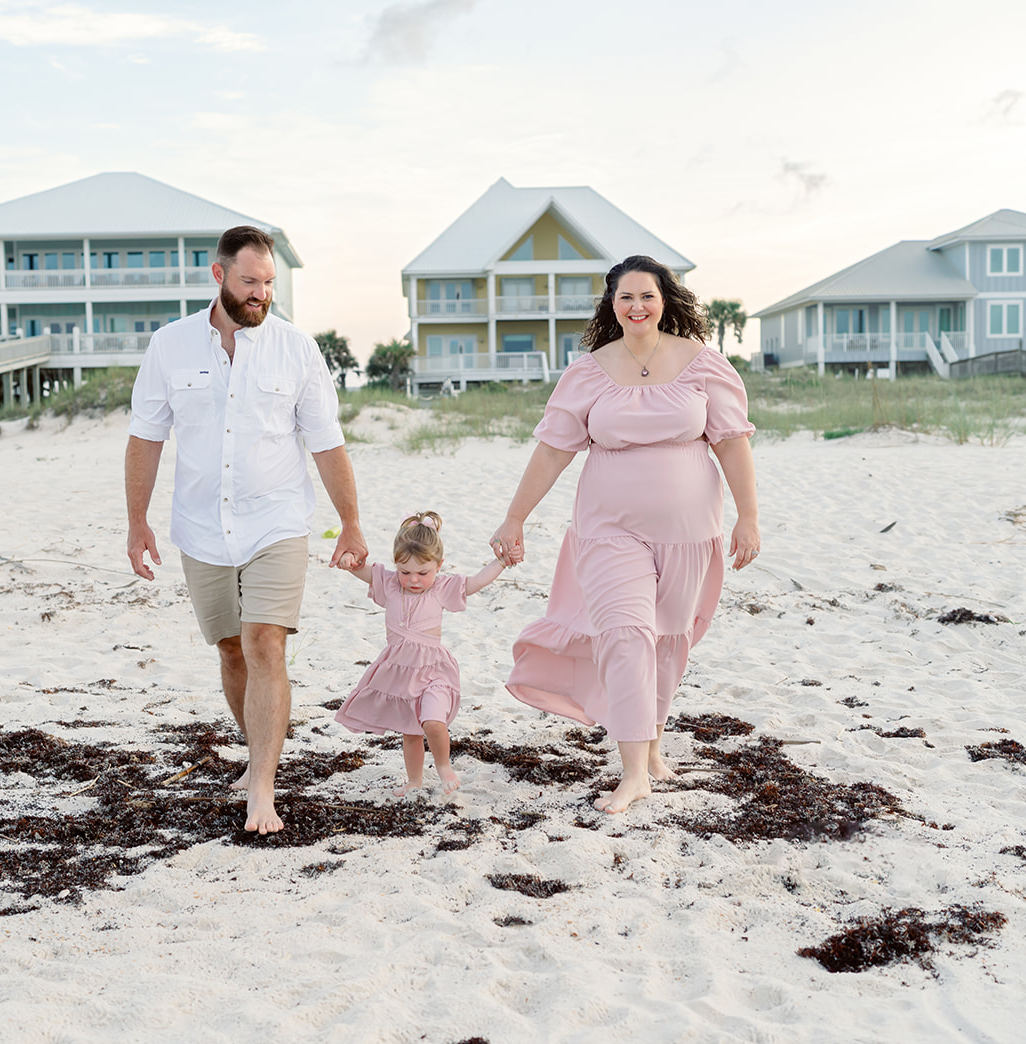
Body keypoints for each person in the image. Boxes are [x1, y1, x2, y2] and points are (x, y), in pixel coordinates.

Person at [488, 254, 760, 814]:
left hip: (689, 531)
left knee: (667, 637)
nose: (637, 306)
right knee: (626, 632)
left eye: (647, 296)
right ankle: (634, 769)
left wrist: (748, 517)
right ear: (611, 305)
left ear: (666, 301)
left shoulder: (704, 365)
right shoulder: (589, 371)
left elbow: (732, 443)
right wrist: (515, 517)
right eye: (626, 297)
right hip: (608, 530)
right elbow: (553, 450)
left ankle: (653, 745)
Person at [125, 225, 367, 835]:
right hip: (201, 526)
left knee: (264, 642)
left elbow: (326, 442)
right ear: (219, 276)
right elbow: (146, 437)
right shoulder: (170, 346)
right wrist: (137, 522)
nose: (261, 294)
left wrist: (351, 523)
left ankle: (263, 787)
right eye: (250, 282)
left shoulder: (296, 349)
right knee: (231, 649)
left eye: (268, 284)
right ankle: (258, 749)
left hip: (277, 521)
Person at [335, 512, 507, 796]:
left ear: (439, 566)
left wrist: (501, 561)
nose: (413, 579)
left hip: (434, 671)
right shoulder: (390, 585)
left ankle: (443, 766)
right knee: (411, 732)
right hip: (402, 674)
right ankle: (415, 780)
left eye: (423, 573)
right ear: (396, 567)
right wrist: (348, 562)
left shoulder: (441, 588)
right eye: (405, 572)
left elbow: (476, 582)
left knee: (432, 722)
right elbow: (360, 570)